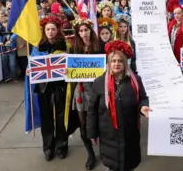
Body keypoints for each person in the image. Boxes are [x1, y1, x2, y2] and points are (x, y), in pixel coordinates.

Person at [87, 40, 150, 171]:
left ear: (125, 62)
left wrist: (143, 107)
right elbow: (92, 110)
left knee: (129, 165)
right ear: (109, 62)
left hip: (130, 131)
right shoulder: (99, 82)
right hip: (108, 134)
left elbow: (143, 98)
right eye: (113, 61)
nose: (116, 64)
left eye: (120, 61)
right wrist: (92, 133)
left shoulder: (135, 80)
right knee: (113, 165)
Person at [37, 15, 72, 161]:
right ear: (44, 30)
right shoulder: (38, 46)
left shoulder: (66, 45)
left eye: (53, 29)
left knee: (61, 117)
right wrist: (29, 70)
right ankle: (48, 147)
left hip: (61, 86)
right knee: (46, 119)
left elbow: (73, 64)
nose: (50, 32)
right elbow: (33, 65)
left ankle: (61, 146)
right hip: (44, 87)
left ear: (58, 30)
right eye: (48, 29)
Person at [69, 17, 103, 170]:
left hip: (98, 89)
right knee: (83, 123)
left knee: (101, 120)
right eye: (80, 31)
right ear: (77, 33)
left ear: (90, 30)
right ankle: (90, 153)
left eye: (86, 30)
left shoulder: (99, 45)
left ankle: (104, 150)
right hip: (81, 90)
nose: (83, 33)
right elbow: (68, 66)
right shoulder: (74, 48)